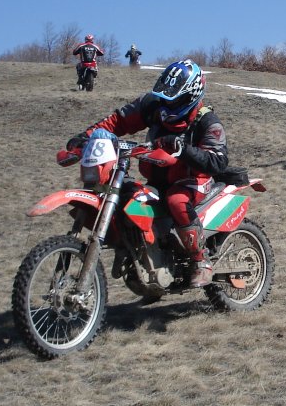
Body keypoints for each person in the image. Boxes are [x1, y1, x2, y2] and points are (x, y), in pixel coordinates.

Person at [65, 59, 228, 287]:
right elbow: (118, 121)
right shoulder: (152, 105)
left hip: (194, 180)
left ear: (190, 96)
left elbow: (218, 161)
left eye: (174, 100)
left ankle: (201, 260)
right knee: (130, 198)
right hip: (158, 177)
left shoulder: (207, 121)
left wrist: (183, 150)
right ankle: (146, 254)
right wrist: (87, 136)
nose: (166, 104)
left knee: (176, 200)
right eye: (164, 98)